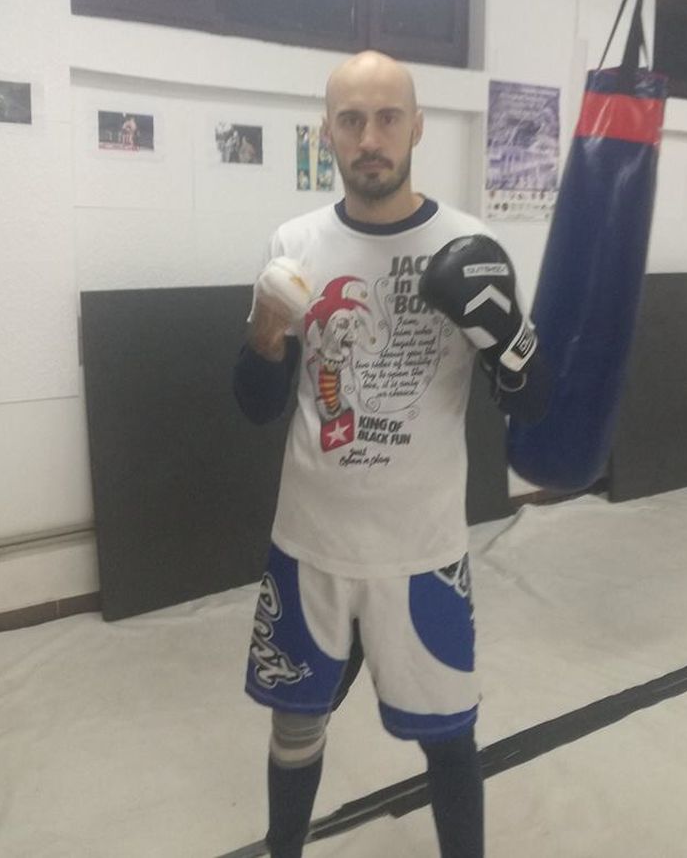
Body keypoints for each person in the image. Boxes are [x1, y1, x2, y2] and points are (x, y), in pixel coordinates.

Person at [233, 51, 550, 858]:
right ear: (328, 133)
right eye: (351, 120)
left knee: (449, 736)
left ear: (417, 127)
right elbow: (259, 404)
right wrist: (265, 327)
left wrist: (510, 341)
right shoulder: (294, 242)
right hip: (312, 543)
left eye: (386, 118)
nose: (369, 138)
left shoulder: (471, 242)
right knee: (295, 723)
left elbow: (531, 404)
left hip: (422, 549)